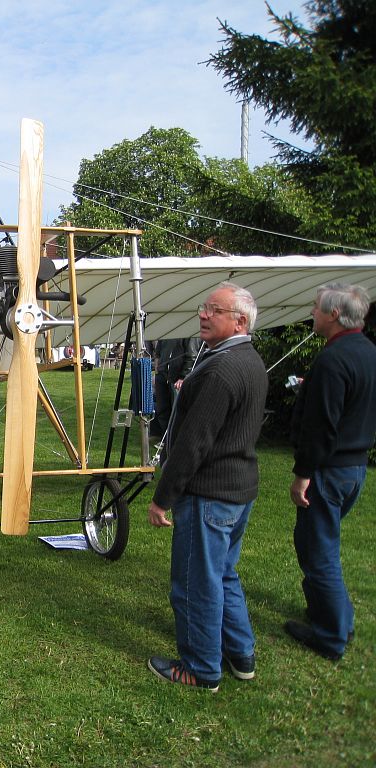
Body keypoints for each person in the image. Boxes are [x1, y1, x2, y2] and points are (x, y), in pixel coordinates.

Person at [146, 283, 268, 692]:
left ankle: (200, 668)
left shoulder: (220, 369)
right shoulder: (248, 359)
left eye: (213, 310)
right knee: (223, 574)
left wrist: (163, 498)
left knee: (196, 582)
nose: (203, 315)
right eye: (204, 308)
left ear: (239, 321)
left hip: (211, 493)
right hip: (237, 489)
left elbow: (194, 442)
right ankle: (242, 654)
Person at [286, 283, 376, 662]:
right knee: (322, 544)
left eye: (316, 308)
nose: (312, 312)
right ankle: (334, 616)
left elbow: (322, 425)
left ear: (334, 315)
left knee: (318, 550)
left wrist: (304, 473)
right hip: (354, 466)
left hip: (329, 469)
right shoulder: (367, 351)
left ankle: (331, 635)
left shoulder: (333, 360)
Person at [150, 336, 203, 439]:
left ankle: (174, 439)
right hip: (163, 374)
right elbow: (158, 351)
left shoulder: (189, 333)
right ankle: (165, 438)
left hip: (177, 377)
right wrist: (158, 368)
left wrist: (183, 376)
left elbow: (192, 355)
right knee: (162, 409)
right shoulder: (167, 331)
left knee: (176, 411)